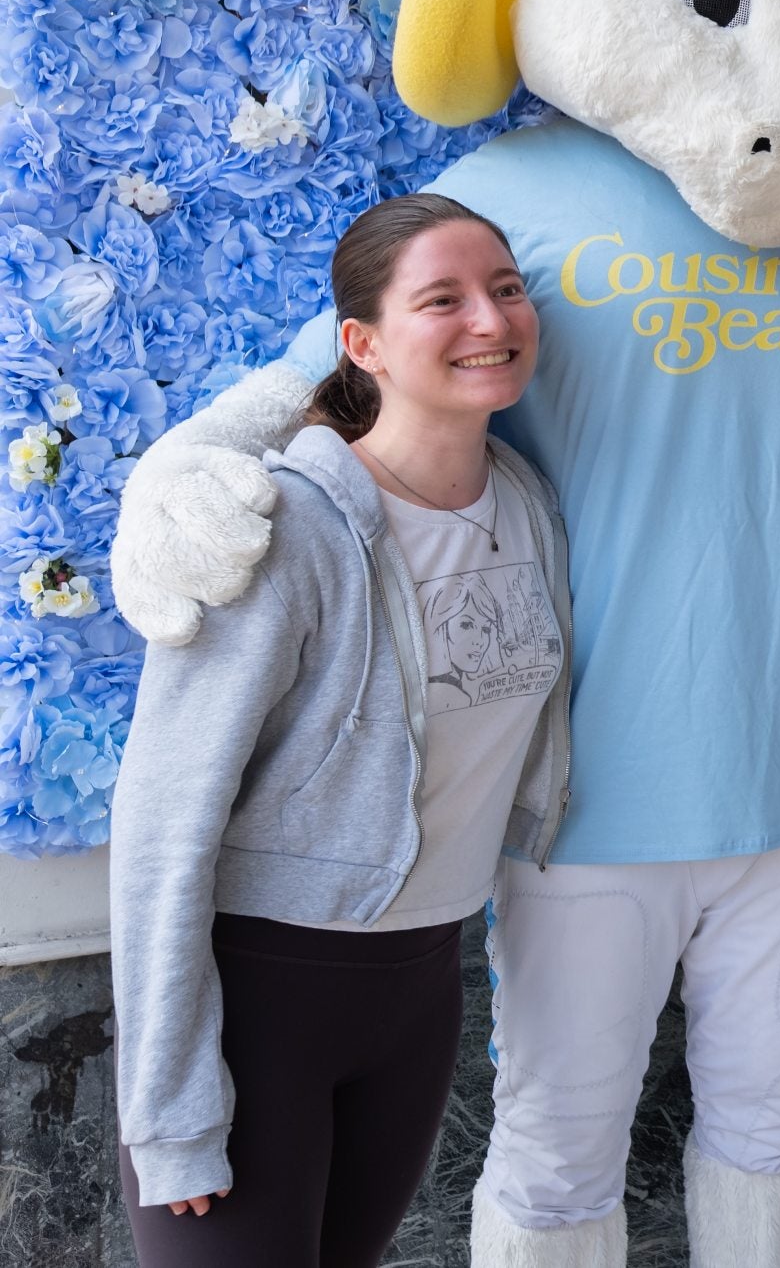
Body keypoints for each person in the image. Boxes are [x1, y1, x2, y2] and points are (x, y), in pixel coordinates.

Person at [111, 196, 572, 1267]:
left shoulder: (524, 500)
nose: (489, 319)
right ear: (360, 343)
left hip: (419, 985)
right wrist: (173, 1112)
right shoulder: (286, 531)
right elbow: (163, 822)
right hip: (260, 1001)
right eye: (442, 299)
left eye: (505, 289)